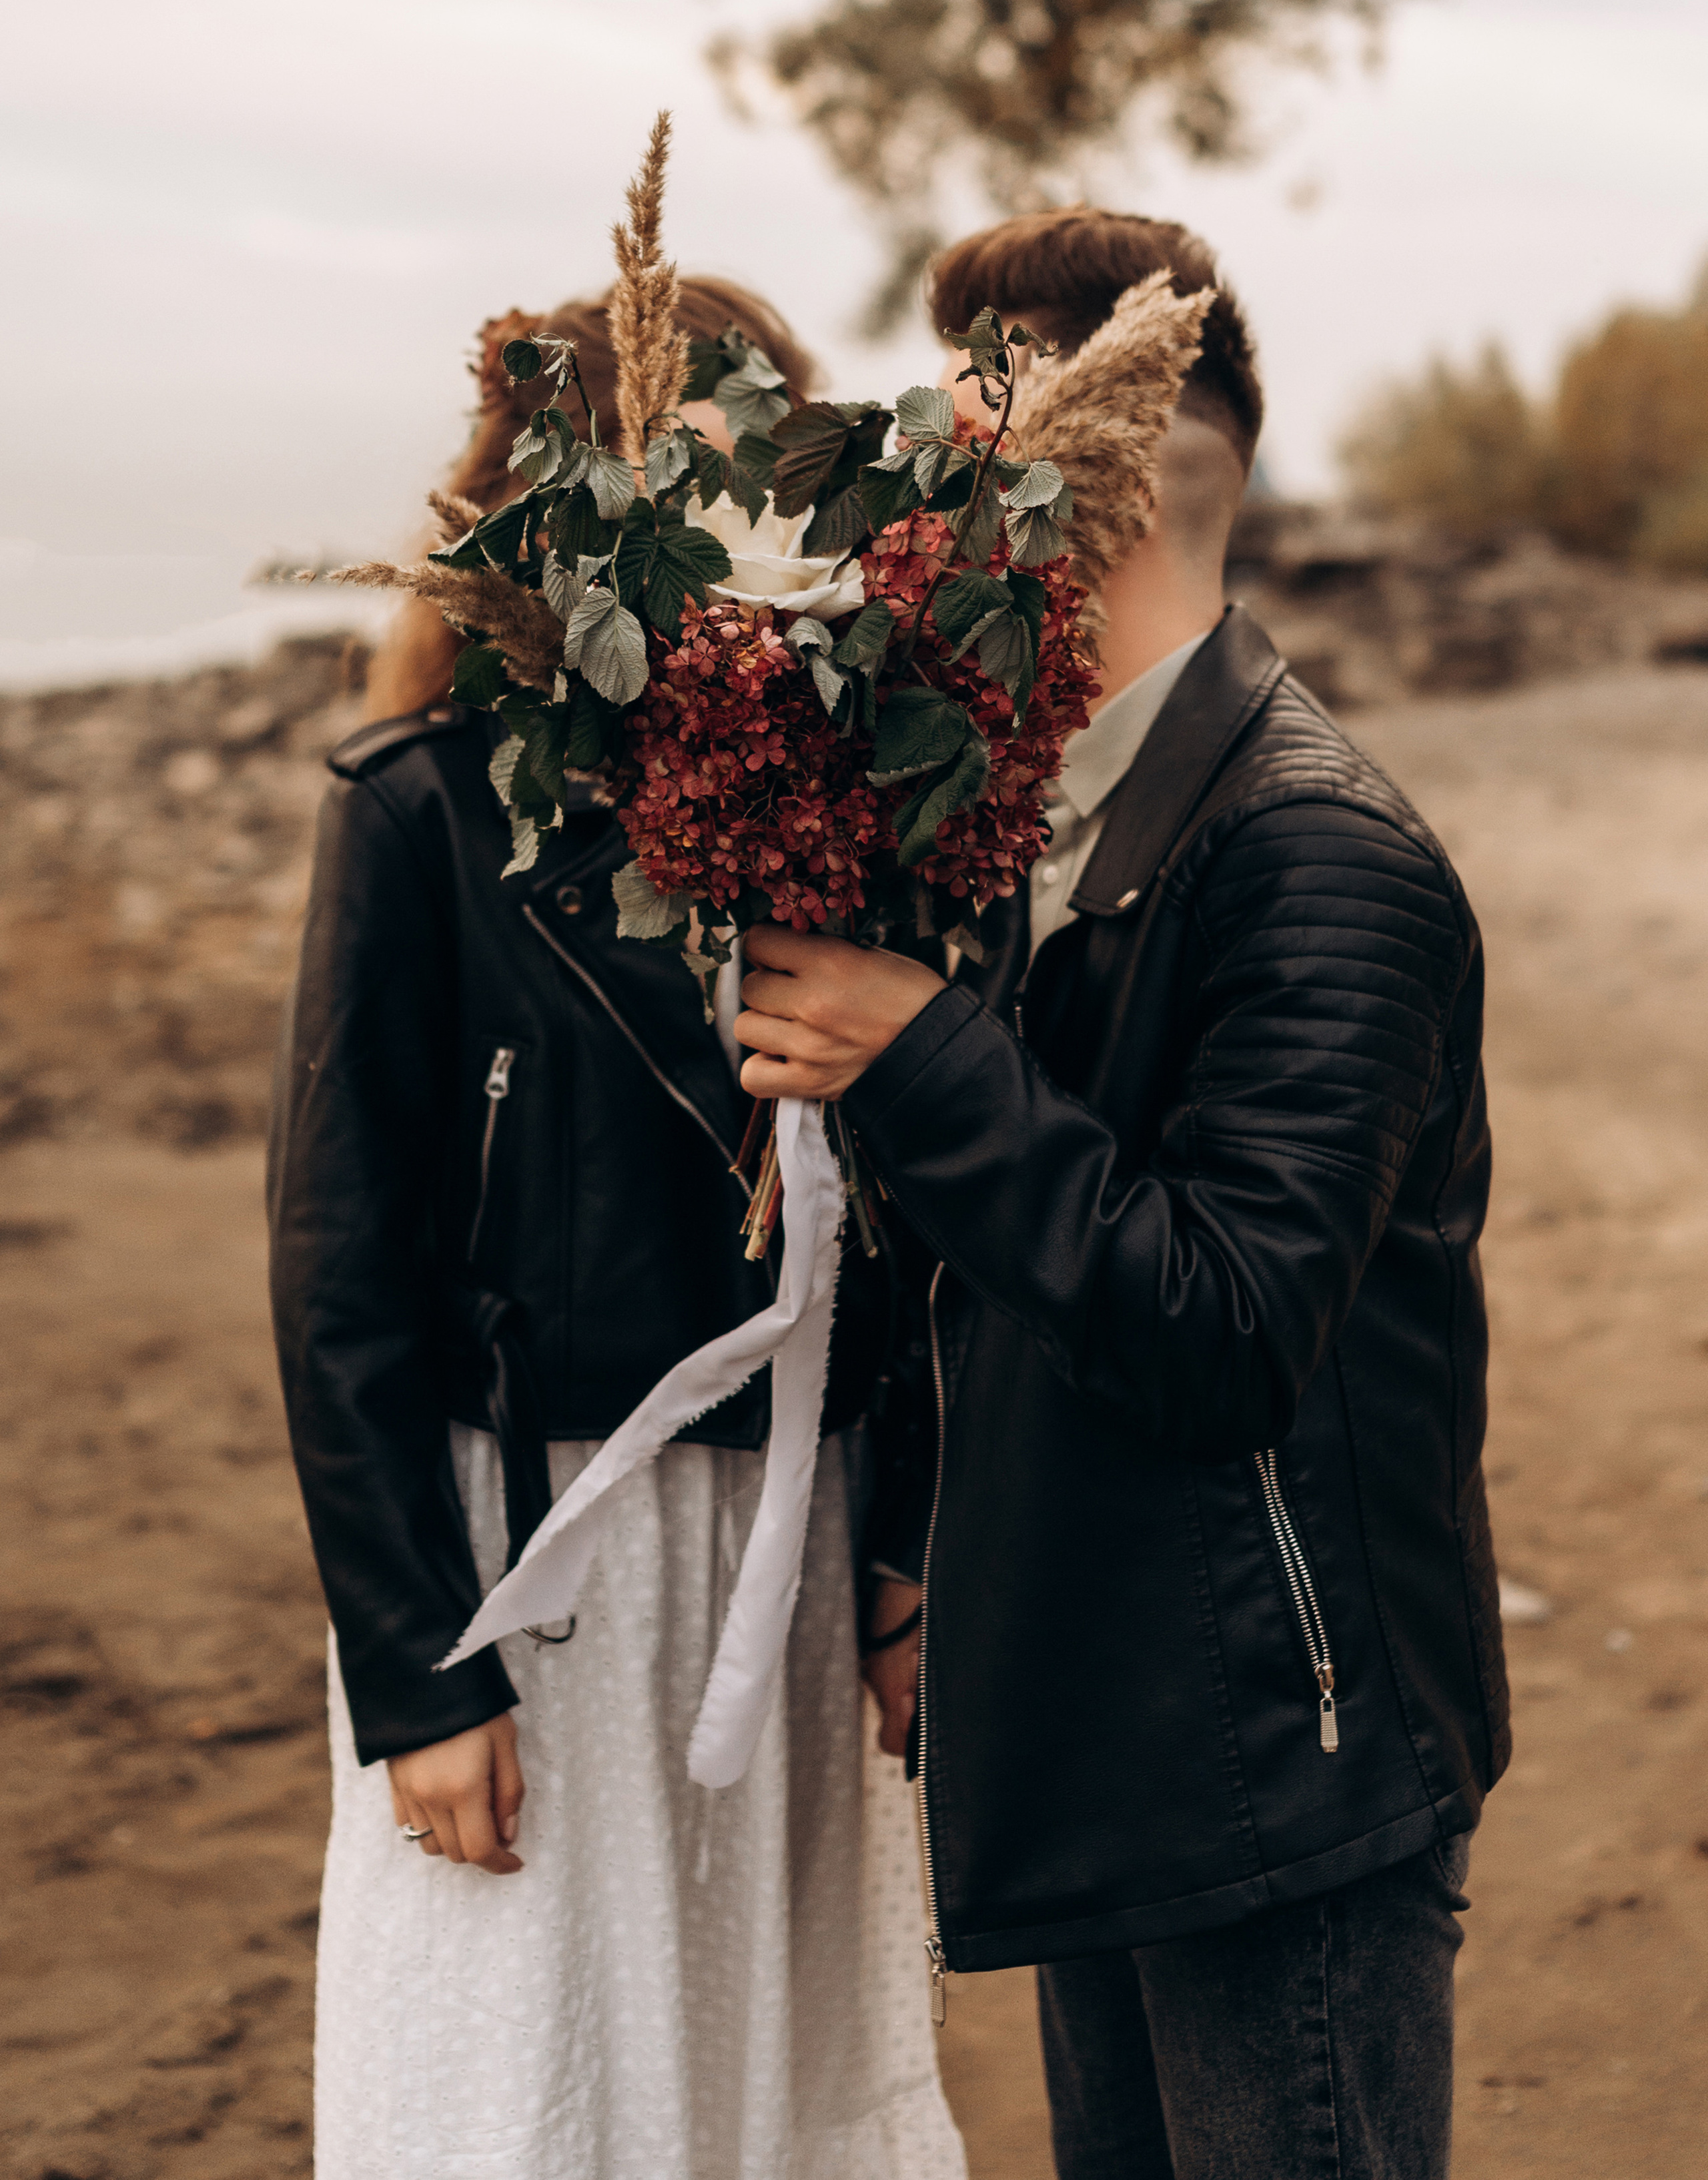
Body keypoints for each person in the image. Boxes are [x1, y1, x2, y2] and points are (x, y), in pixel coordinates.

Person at [732, 209, 1510, 2180]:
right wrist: (923, 1559)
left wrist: (920, 1058)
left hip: (1279, 1760)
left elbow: (1227, 1323)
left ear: (1103, 481)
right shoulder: (1041, 826)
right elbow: (1007, 1283)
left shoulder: (1324, 861)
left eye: (954, 448)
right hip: (1116, 1720)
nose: (909, 508)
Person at [267, 277, 965, 2180]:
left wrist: (903, 1556)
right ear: (573, 495)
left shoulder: (844, 809)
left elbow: (897, 1219)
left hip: (792, 1535)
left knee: (766, 2074)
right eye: (711, 475)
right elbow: (338, 1277)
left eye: (777, 481)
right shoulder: (418, 813)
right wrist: (421, 1676)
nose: (749, 535)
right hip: (536, 1558)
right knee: (526, 2082)